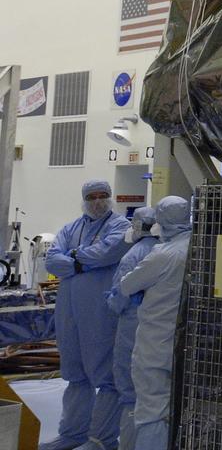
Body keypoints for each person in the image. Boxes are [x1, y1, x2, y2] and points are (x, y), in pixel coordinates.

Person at [41, 180, 132, 450]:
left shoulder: (121, 227)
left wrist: (73, 261)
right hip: (69, 311)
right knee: (75, 371)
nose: (98, 201)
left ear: (111, 197)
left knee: (104, 373)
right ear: (83, 199)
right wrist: (82, 261)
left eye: (103, 195)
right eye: (92, 196)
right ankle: (72, 434)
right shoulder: (71, 227)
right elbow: (51, 260)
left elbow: (109, 252)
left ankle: (101, 440)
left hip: (100, 312)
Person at [119, 196, 192, 450]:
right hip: (187, 345)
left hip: (155, 343)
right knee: (177, 407)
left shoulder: (163, 254)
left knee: (151, 410)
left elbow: (127, 285)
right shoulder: (200, 246)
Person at [104, 207, 159, 450]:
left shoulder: (133, 256)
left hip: (132, 328)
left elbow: (120, 297)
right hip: (160, 332)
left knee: (129, 391)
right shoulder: (170, 250)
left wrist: (111, 302)